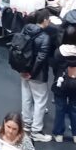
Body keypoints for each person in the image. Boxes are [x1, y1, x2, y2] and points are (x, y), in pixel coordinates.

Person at [19, 8, 52, 142]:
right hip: (37, 74)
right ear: (44, 21)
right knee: (40, 101)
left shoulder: (25, 29)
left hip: (22, 70)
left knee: (26, 97)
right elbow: (41, 58)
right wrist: (31, 73)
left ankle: (26, 125)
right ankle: (36, 131)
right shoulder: (45, 38)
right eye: (48, 19)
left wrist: (24, 71)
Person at [51, 25, 76, 143]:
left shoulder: (59, 51)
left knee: (60, 108)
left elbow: (55, 67)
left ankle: (58, 134)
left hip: (61, 83)